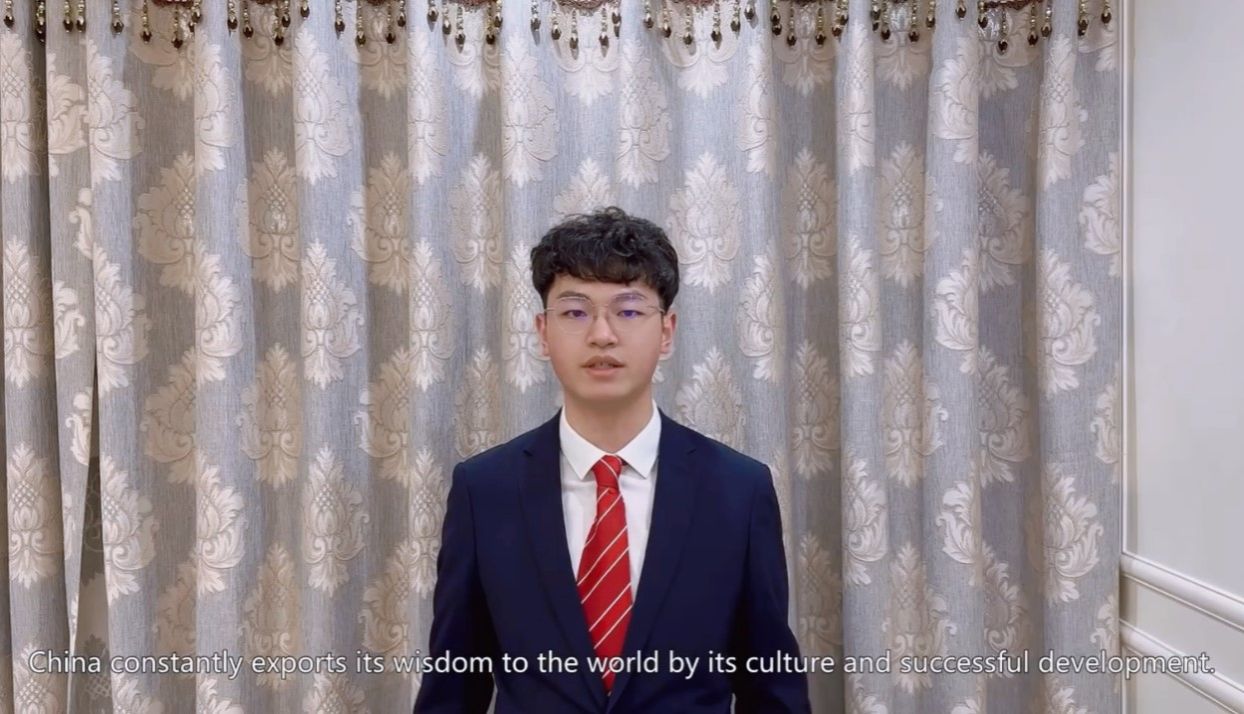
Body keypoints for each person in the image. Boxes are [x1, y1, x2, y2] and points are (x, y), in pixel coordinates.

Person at [413, 207, 810, 713]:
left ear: (666, 331)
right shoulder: (485, 491)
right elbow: (453, 688)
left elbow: (772, 689)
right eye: (575, 312)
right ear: (542, 332)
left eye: (628, 311)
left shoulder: (738, 491)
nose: (602, 334)